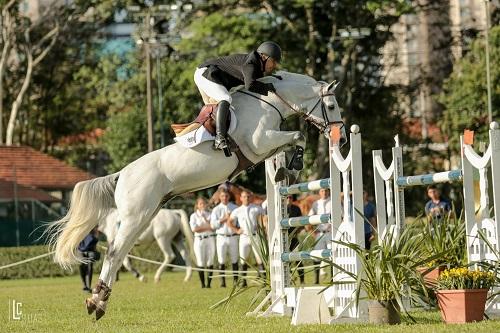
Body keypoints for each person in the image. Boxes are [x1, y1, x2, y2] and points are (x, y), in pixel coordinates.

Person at [193, 41, 282, 154]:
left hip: (208, 74)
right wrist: (267, 87)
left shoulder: (256, 65)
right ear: (264, 56)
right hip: (206, 73)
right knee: (226, 98)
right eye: (273, 61)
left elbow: (254, 81)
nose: (274, 65)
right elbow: (250, 86)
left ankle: (215, 134)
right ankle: (220, 139)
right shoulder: (251, 63)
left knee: (222, 105)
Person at [228, 190, 265, 287]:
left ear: (251, 198)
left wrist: (261, 226)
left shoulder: (257, 208)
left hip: (255, 236)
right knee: (243, 259)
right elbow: (229, 222)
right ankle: (243, 282)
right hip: (244, 237)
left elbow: (265, 218)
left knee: (259, 258)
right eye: (244, 197)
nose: (246, 198)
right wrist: (236, 230)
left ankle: (264, 279)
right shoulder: (237, 210)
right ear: (240, 198)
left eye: (248, 196)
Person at [210, 188, 239, 287]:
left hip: (233, 236)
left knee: (234, 259)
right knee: (221, 259)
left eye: (226, 196)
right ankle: (223, 282)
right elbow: (213, 225)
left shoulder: (235, 207)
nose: (225, 198)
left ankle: (236, 281)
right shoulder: (216, 209)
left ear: (229, 196)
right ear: (219, 197)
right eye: (222, 196)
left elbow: (239, 222)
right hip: (221, 237)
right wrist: (223, 219)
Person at [190, 197, 216, 288]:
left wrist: (206, 221)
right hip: (199, 240)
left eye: (204, 203)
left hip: (210, 239)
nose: (203, 205)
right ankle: (202, 284)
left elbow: (213, 227)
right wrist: (207, 227)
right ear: (197, 205)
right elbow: (194, 229)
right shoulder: (194, 216)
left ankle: (209, 284)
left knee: (210, 261)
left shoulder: (210, 214)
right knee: (200, 261)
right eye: (200, 204)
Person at [308, 188, 331, 284]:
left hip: (331, 232)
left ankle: (333, 279)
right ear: (319, 192)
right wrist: (312, 232)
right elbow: (309, 218)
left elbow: (342, 216)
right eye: (322, 191)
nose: (324, 192)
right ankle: (316, 279)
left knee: (333, 255)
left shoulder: (333, 202)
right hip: (320, 233)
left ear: (329, 191)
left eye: (326, 190)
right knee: (316, 255)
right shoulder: (315, 204)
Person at [287, 194, 305, 285]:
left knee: (298, 258)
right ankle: (288, 279)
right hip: (283, 239)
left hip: (294, 238)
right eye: (287, 197)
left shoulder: (296, 208)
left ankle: (302, 280)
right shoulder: (278, 209)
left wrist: (298, 230)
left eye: (290, 197)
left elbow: (301, 223)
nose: (288, 199)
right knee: (286, 260)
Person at [78, 227, 100, 293]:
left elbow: (96, 235)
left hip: (91, 250)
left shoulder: (92, 226)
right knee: (81, 267)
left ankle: (88, 286)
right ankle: (85, 285)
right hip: (81, 250)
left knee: (89, 268)